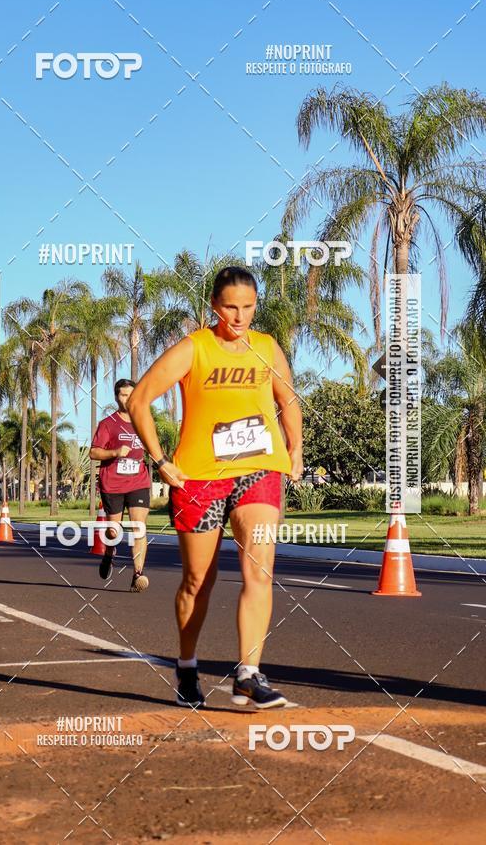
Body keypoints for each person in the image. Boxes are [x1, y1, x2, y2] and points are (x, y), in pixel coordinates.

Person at [128, 266, 303, 709]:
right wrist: (161, 460)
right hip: (200, 477)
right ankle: (187, 667)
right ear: (213, 305)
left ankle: (248, 673)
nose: (239, 316)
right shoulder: (194, 348)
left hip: (259, 470)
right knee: (198, 581)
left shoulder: (266, 348)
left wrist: (295, 451)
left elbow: (288, 400)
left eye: (248, 307)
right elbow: (139, 399)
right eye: (230, 307)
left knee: (259, 570)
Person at [90, 379, 151, 593]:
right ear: (117, 397)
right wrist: (115, 452)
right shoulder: (108, 424)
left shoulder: (143, 421)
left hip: (138, 481)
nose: (128, 399)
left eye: (131, 395)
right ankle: (109, 553)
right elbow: (94, 452)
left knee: (139, 526)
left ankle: (138, 574)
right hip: (113, 484)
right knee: (114, 531)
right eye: (124, 395)